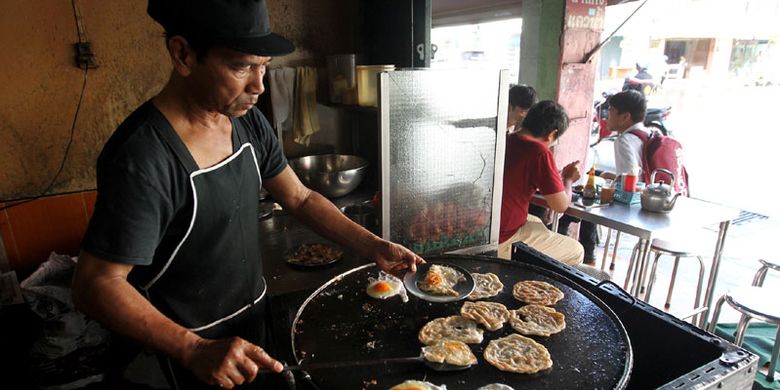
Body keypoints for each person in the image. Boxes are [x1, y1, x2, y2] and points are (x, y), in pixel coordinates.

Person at [71, 1, 424, 389]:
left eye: (264, 66)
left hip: (254, 320)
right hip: (185, 350)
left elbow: (299, 197)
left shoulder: (247, 121)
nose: (259, 86)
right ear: (182, 54)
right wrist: (192, 349)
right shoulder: (143, 157)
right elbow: (97, 283)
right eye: (241, 67)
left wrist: (373, 246)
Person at [499, 100, 583, 265]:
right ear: (552, 134)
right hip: (501, 238)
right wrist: (567, 179)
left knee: (537, 222)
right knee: (576, 250)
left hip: (489, 228)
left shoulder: (507, 139)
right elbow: (560, 206)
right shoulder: (539, 152)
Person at [604, 90, 650, 178]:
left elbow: (628, 186)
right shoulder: (649, 134)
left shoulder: (623, 141)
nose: (607, 117)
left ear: (625, 117)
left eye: (611, 110)